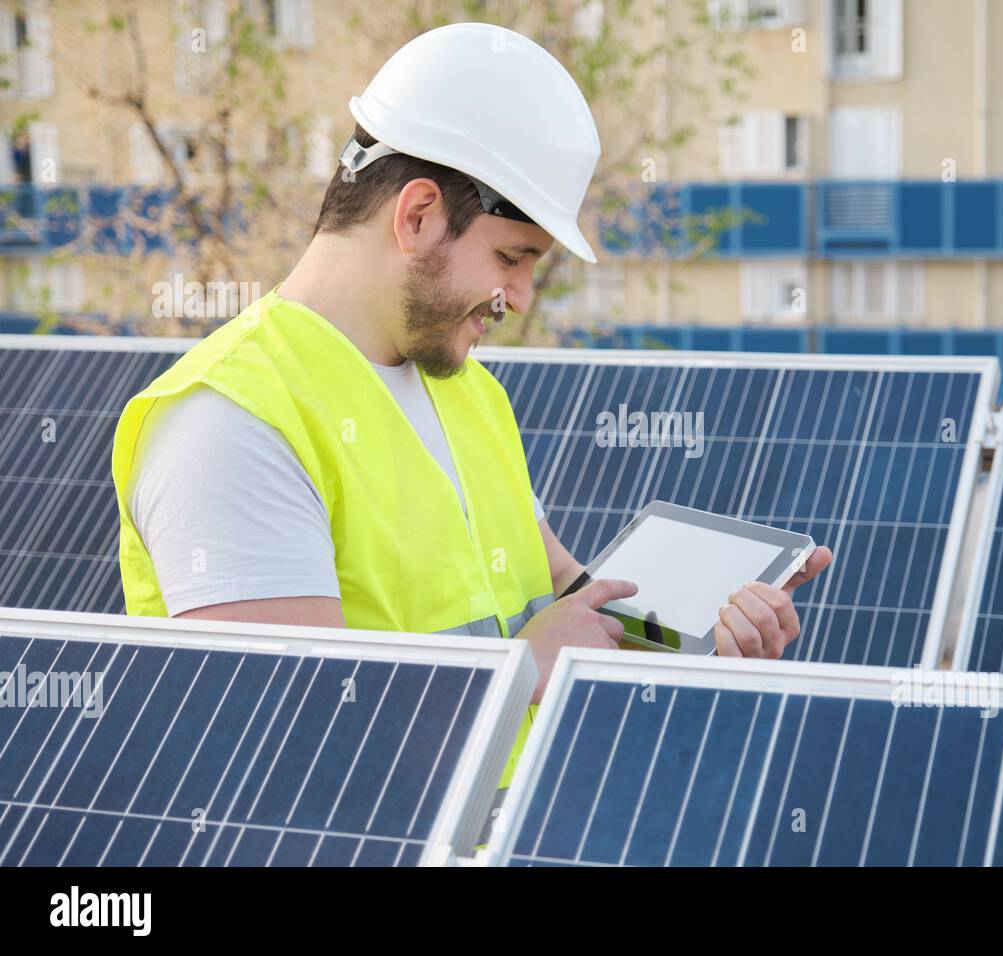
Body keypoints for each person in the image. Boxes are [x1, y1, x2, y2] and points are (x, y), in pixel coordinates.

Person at [111, 23, 833, 789]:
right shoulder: (232, 424)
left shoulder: (468, 391)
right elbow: (288, 752)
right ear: (417, 214)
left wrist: (702, 636)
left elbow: (570, 603)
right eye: (511, 258)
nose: (520, 299)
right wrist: (519, 670)